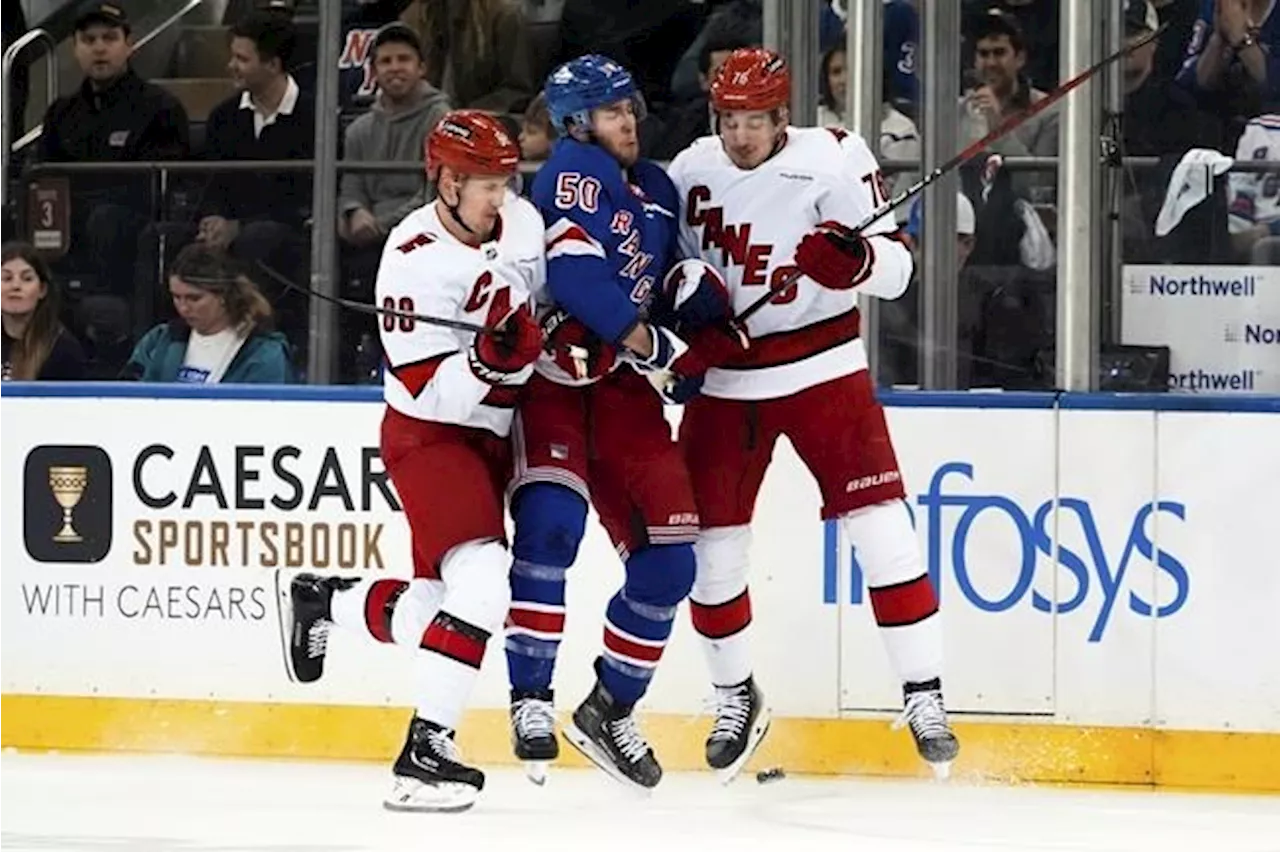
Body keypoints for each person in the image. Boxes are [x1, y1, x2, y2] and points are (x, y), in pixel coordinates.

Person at [664, 47, 959, 781]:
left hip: (825, 370)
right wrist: (684, 303)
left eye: (753, 121)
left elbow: (899, 269)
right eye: (728, 120)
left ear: (781, 116)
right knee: (711, 552)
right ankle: (734, 693)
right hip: (730, 383)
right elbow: (662, 273)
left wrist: (855, 262)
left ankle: (925, 693)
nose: (739, 136)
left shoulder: (834, 161)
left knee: (884, 530)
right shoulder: (688, 170)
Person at [277, 111, 545, 812]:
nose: (501, 197)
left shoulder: (516, 220)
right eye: (487, 184)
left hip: (494, 438)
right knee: (486, 586)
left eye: (505, 181)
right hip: (432, 438)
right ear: (449, 181)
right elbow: (433, 391)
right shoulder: (411, 260)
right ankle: (426, 750)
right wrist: (491, 356)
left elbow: (544, 296)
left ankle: (329, 599)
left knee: (439, 604)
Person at [503, 55, 714, 790]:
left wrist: (693, 299)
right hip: (556, 386)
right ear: (574, 123)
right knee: (549, 530)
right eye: (611, 111)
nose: (628, 121)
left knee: (671, 563)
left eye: (630, 108)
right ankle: (529, 697)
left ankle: (610, 706)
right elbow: (576, 277)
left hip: (624, 393)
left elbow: (666, 279)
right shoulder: (568, 172)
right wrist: (652, 342)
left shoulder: (654, 186)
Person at [124, 244, 293, 384]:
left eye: (194, 298)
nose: (183, 308)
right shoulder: (160, 339)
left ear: (223, 295)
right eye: (176, 297)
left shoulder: (263, 351)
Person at [0, 242, 86, 381]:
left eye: (27, 279)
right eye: (7, 278)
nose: (15, 286)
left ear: (42, 290)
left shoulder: (63, 349)